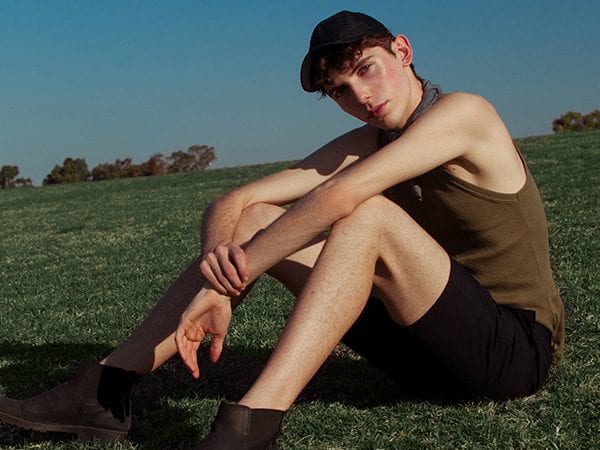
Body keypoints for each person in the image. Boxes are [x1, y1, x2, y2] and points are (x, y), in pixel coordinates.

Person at [0, 10, 564, 449]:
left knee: (367, 214)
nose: (361, 97)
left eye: (366, 69)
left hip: (512, 353)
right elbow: (236, 200)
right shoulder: (372, 140)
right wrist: (220, 269)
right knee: (254, 219)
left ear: (403, 50)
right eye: (340, 90)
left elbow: (340, 196)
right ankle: (106, 391)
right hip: (419, 352)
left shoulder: (466, 113)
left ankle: (253, 425)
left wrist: (231, 279)